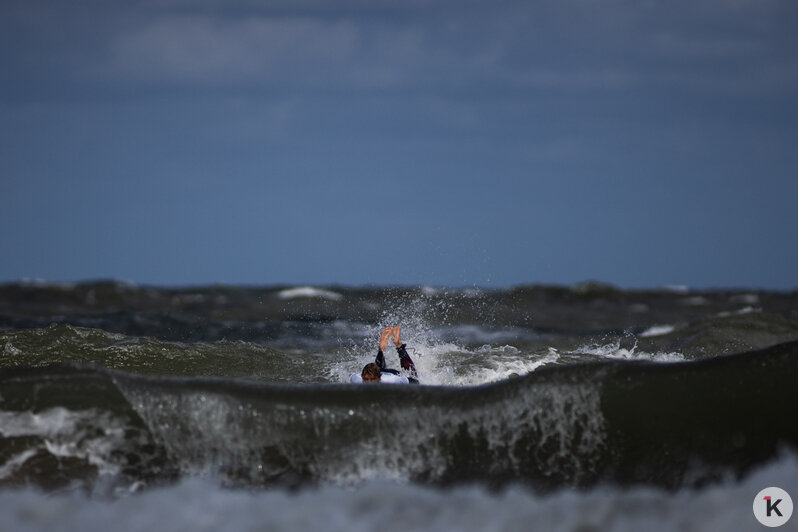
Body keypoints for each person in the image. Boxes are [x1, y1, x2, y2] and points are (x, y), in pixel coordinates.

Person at [349, 326, 419, 384]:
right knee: (378, 367)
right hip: (379, 370)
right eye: (366, 379)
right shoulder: (357, 379)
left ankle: (400, 346)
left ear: (380, 377)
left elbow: (414, 382)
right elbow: (350, 376)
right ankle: (381, 349)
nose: (369, 383)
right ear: (362, 377)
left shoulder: (392, 380)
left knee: (413, 376)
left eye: (372, 379)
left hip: (392, 373)